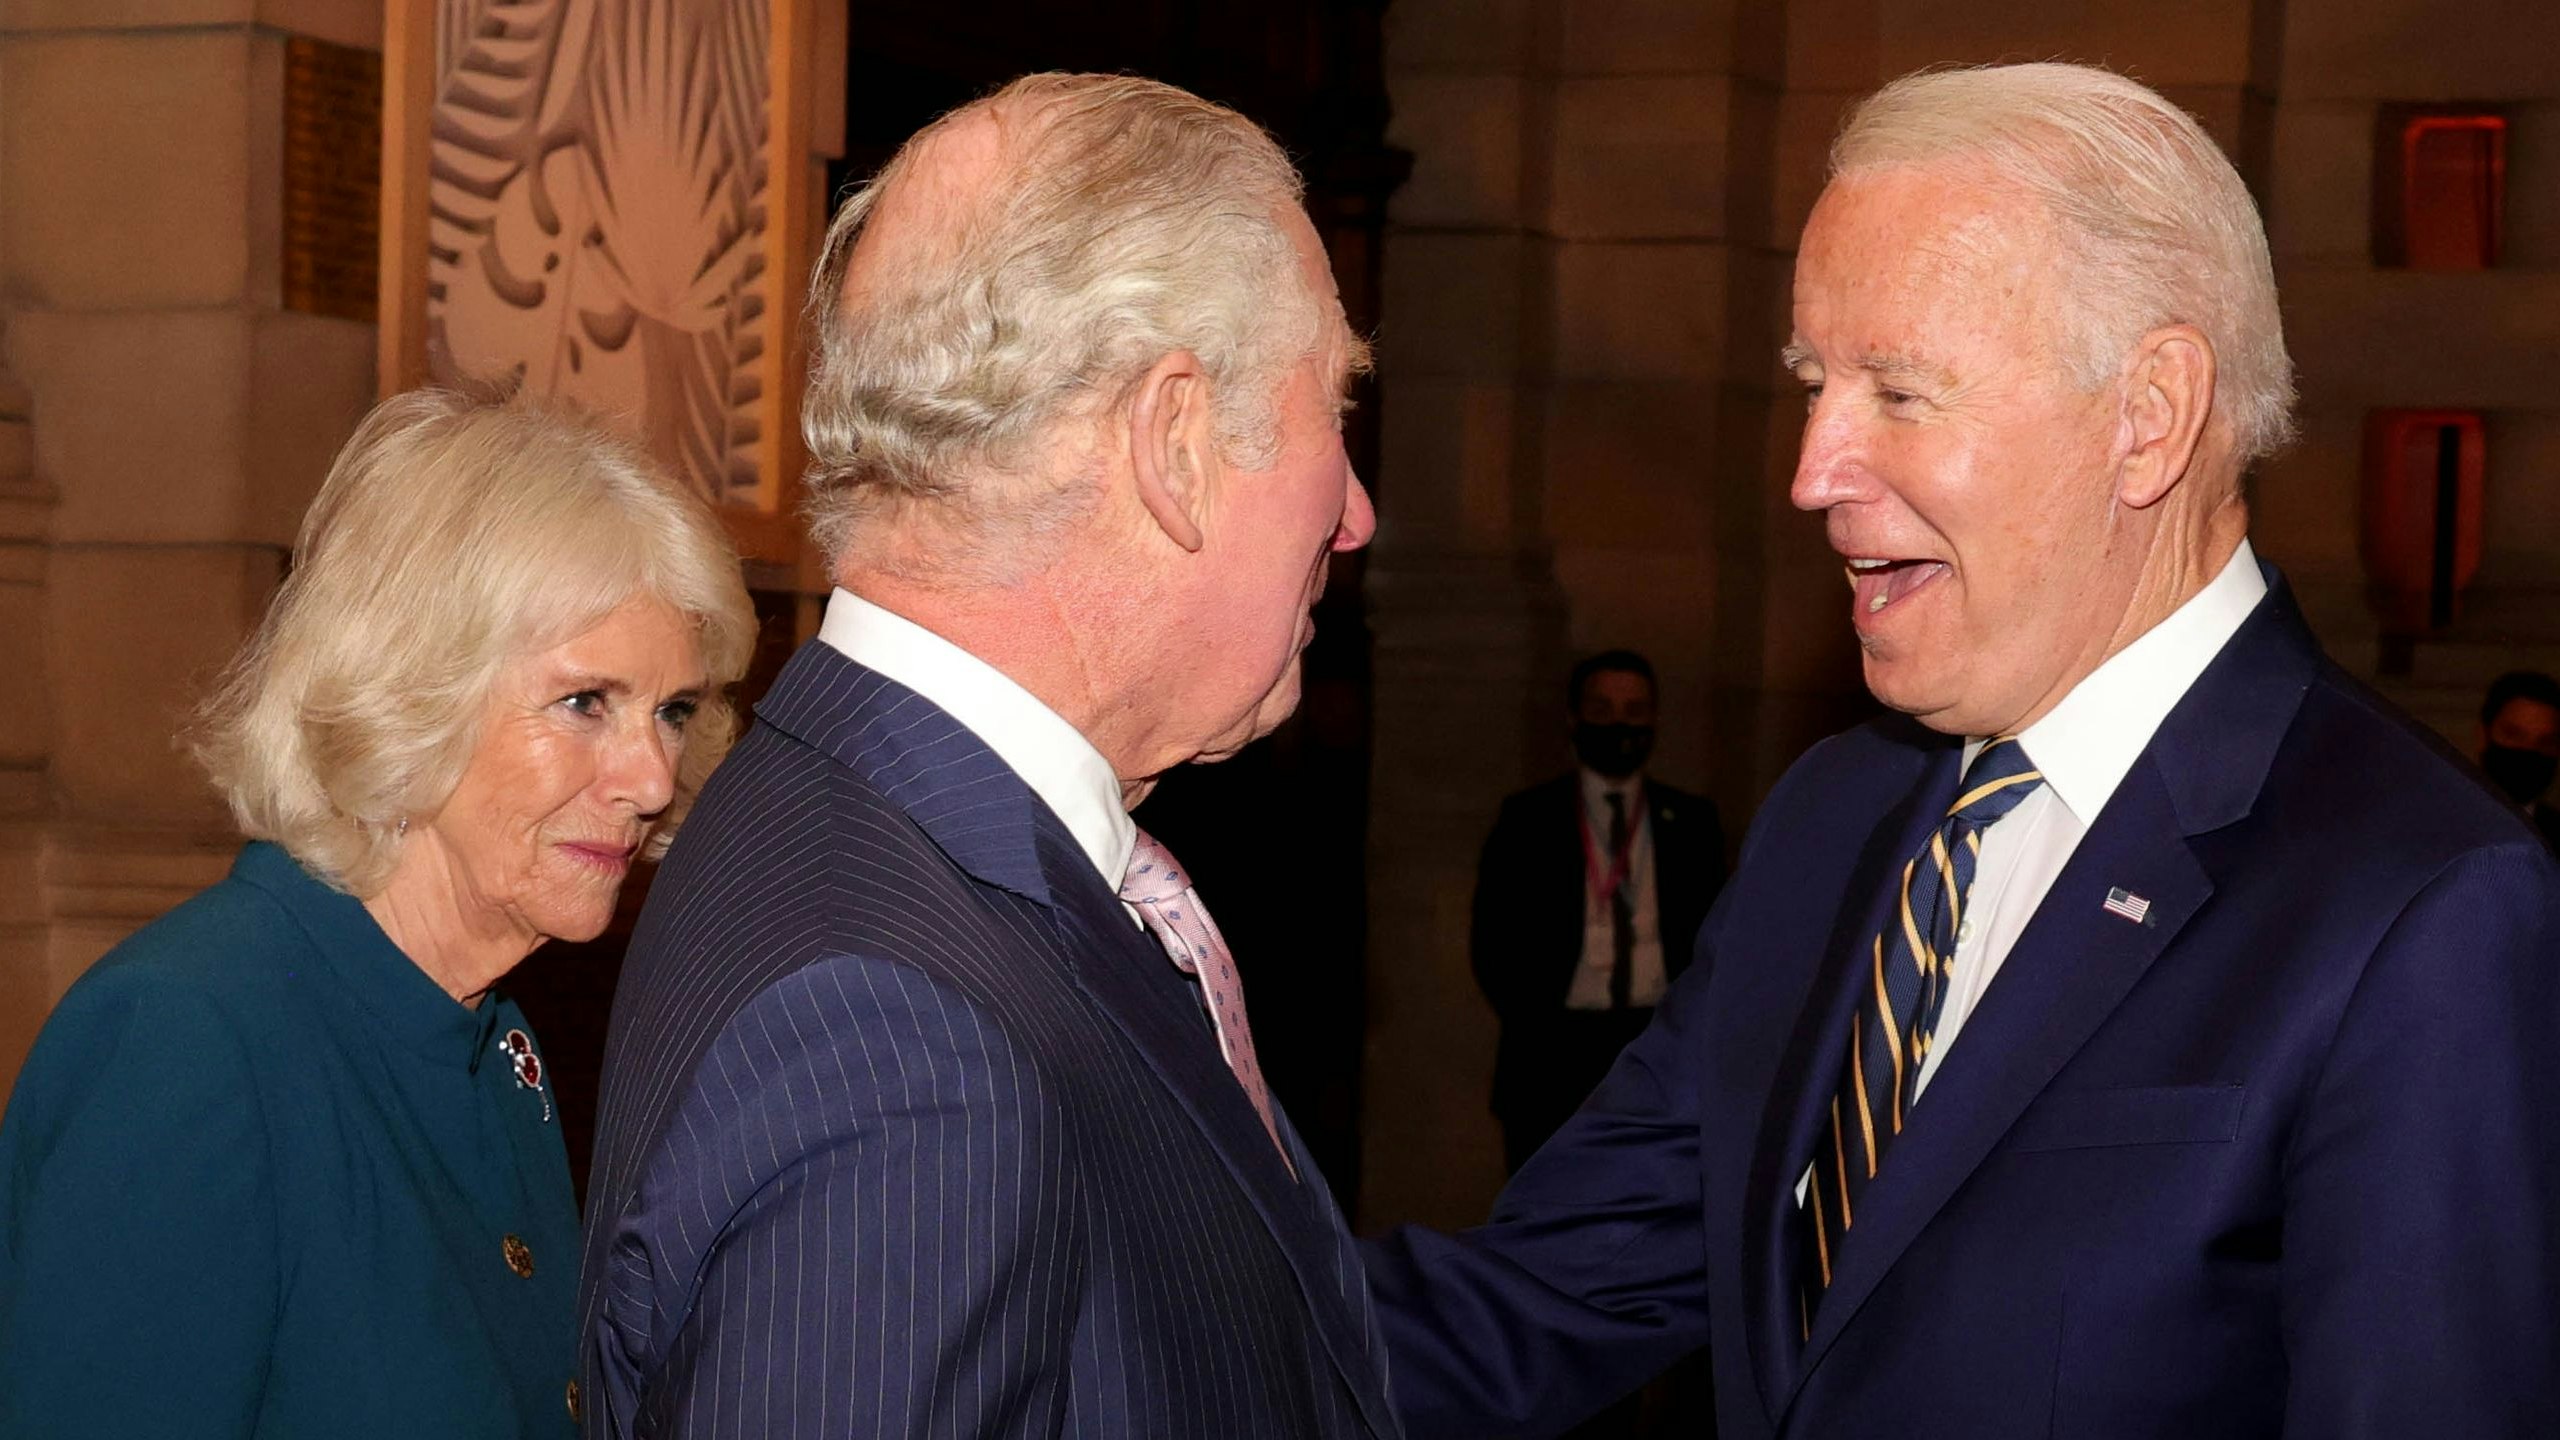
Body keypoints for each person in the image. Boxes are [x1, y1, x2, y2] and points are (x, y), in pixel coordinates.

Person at [1363, 61, 2560, 1440]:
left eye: (1902, 393)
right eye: (1816, 383)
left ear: (2148, 415)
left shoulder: (2423, 903)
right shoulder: (1835, 811)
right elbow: (1542, 1298)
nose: (1813, 469)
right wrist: (1122, 1319)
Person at [577, 74, 1394, 1439]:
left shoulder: (845, 806)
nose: (1355, 512)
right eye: (1335, 410)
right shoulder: (899, 1039)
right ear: (1173, 441)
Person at [0, 389, 756, 1439]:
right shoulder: (190, 1040)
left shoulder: (491, 1042)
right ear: (408, 693)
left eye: (672, 712)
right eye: (586, 703)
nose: (649, 776)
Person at [1473, 649, 1725, 1175]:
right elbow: (1493, 944)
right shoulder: (1528, 819)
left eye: (1634, 711)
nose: (1618, 724)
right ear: (1574, 717)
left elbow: (1718, 942)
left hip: (1655, 1047)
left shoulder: (1694, 823)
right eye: (1602, 709)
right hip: (1550, 1052)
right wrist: (1537, 1021)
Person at [2477, 668, 2560, 849]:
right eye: (2514, 735)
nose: (2528, 750)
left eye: (2545, 742)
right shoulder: (2443, 820)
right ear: (2483, 735)